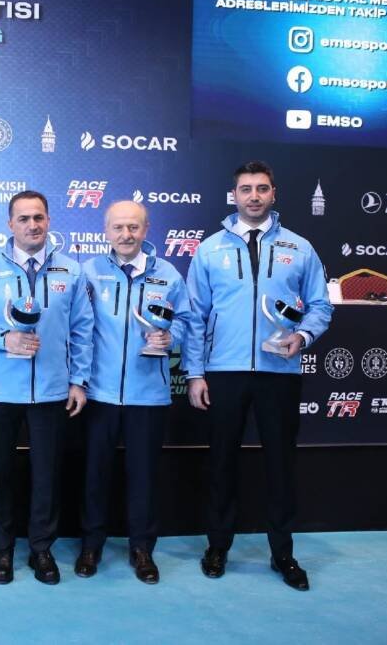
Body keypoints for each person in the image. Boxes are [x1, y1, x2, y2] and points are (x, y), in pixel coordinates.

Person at [185, 161, 332, 591]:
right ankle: (217, 547)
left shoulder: (299, 248)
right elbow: (194, 317)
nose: (253, 196)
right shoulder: (209, 249)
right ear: (233, 195)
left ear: (274, 194)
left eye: (261, 188)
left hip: (279, 372)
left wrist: (302, 336)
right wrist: (195, 373)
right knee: (221, 464)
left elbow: (321, 306)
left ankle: (282, 553)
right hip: (224, 372)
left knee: (280, 466)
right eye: (246, 189)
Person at [0, 190, 92, 585]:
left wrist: (79, 380)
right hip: (1, 391)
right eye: (23, 218)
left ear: (49, 221)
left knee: (47, 474)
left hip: (52, 391)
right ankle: (2, 549)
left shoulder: (71, 271)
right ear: (10, 224)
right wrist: (4, 339)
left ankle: (41, 549)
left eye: (38, 217)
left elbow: (82, 329)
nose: (32, 225)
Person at [78, 200, 190, 584]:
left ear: (146, 230)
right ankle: (91, 545)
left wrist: (170, 337)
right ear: (106, 231)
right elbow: (77, 326)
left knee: (143, 476)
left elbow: (186, 322)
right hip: (98, 394)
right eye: (118, 227)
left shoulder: (168, 274)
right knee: (94, 475)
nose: (126, 235)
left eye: (134, 227)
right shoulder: (88, 272)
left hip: (148, 395)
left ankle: (142, 548)